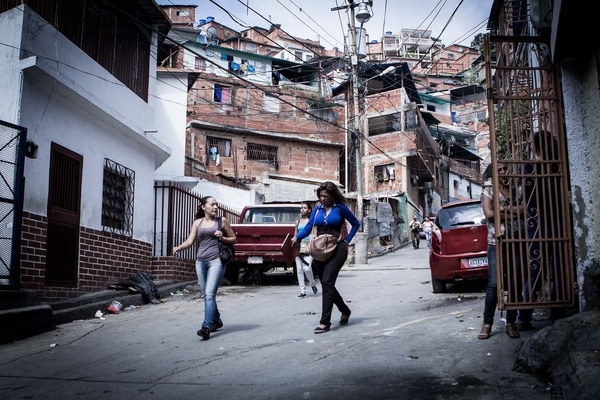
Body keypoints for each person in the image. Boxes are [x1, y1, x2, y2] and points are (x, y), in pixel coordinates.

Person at [291, 181, 360, 334]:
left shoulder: (341, 208)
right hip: (319, 248)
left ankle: (324, 322)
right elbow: (309, 227)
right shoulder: (317, 209)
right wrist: (298, 237)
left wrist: (347, 240)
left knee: (328, 281)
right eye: (320, 196)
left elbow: (356, 224)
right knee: (326, 284)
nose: (322, 198)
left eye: (325, 196)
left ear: (332, 195)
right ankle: (345, 310)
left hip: (338, 248)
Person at [172, 196, 237, 341]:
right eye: (212, 205)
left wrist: (222, 237)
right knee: (207, 295)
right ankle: (217, 320)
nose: (215, 207)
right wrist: (179, 247)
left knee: (209, 294)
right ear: (203, 207)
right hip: (200, 262)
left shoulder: (222, 221)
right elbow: (190, 240)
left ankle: (206, 327)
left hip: (216, 261)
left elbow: (234, 239)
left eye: (216, 205)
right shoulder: (197, 223)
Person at [478, 162, 524, 340]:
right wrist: (513, 212)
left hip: (515, 240)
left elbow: (525, 210)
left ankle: (511, 322)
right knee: (494, 283)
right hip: (495, 242)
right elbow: (489, 214)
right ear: (493, 174)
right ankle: (487, 323)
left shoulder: (516, 188)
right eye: (500, 170)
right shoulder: (488, 190)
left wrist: (503, 210)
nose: (504, 172)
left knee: (515, 282)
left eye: (506, 169)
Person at [294, 202, 318, 298]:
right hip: (300, 247)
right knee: (299, 270)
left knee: (307, 268)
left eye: (304, 208)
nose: (302, 209)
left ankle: (312, 284)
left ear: (309, 210)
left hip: (309, 247)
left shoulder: (312, 222)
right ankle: (302, 291)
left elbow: (315, 234)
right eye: (301, 208)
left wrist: (312, 243)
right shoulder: (298, 222)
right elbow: (295, 235)